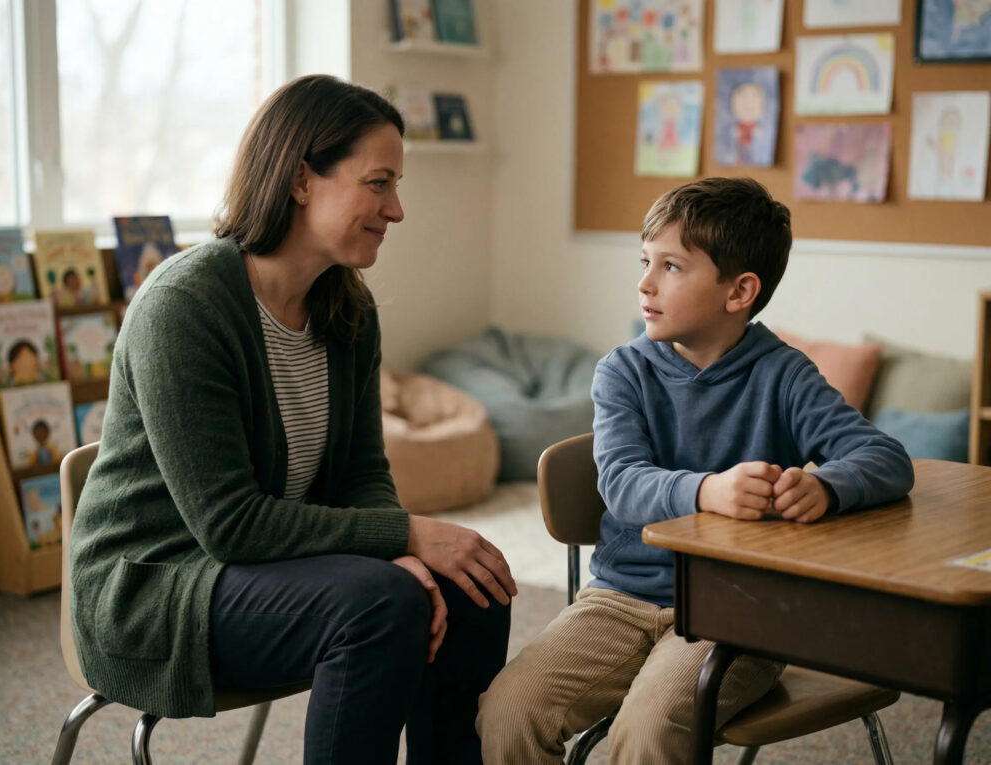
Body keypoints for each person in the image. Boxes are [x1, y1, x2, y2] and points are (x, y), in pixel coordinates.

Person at [69, 74, 515, 765]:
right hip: (160, 584)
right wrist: (404, 536)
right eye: (378, 182)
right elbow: (230, 523)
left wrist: (399, 550)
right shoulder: (183, 308)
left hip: (263, 567)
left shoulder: (348, 311)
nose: (396, 209)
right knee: (378, 604)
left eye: (397, 186)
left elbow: (364, 472)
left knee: (472, 582)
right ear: (303, 178)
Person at [476, 177, 914, 764]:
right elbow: (623, 485)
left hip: (739, 611)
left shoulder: (783, 375)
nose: (645, 282)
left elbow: (886, 458)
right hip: (619, 598)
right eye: (645, 261)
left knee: (649, 731)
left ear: (739, 292)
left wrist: (825, 487)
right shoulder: (623, 372)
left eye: (672, 267)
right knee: (507, 710)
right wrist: (709, 490)